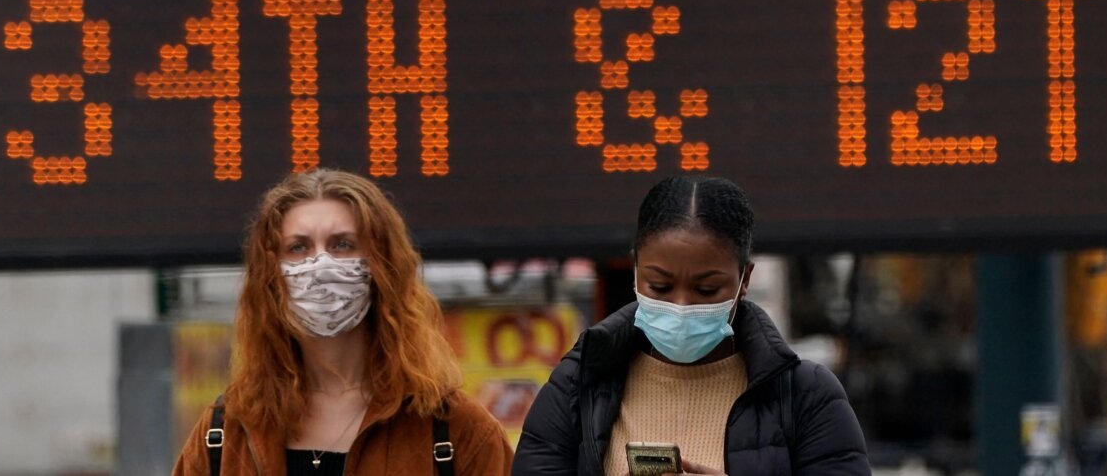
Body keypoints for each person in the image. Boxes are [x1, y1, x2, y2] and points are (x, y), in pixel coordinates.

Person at [512, 177, 869, 476]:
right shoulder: (578, 386)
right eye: (660, 287)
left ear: (744, 280)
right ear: (635, 271)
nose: (681, 306)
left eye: (706, 289)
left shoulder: (806, 396)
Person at [172, 169, 512, 476]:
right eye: (298, 247)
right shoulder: (225, 433)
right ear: (269, 276)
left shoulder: (456, 430)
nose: (320, 264)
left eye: (342, 245)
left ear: (382, 266)